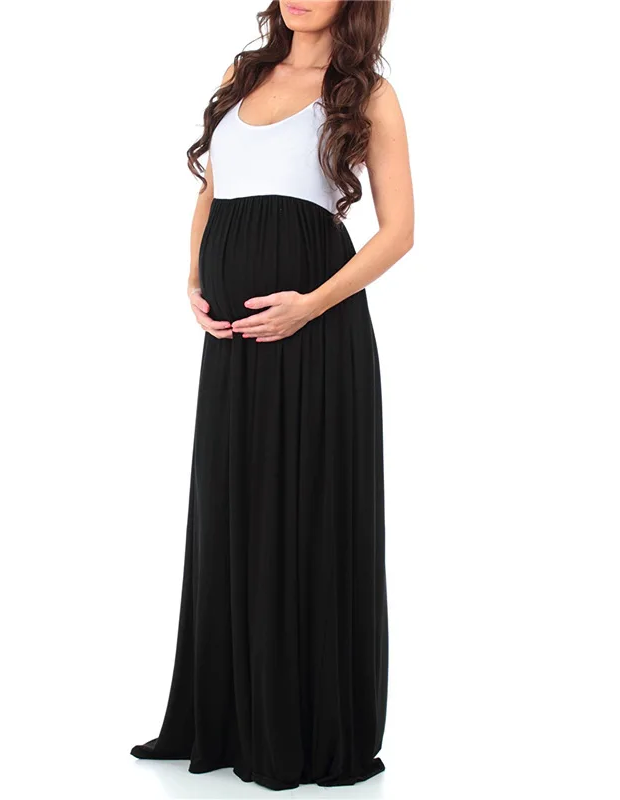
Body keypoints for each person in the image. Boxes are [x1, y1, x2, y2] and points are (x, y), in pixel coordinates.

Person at [131, 0, 413, 790]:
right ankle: (221, 718)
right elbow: (212, 193)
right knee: (232, 508)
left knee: (305, 510)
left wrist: (310, 305)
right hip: (233, 343)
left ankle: (303, 728)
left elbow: (399, 232)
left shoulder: (368, 92)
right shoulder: (244, 71)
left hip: (316, 337)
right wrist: (195, 277)